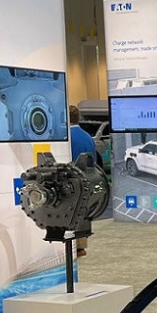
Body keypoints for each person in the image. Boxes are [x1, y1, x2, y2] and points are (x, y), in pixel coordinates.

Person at [69, 105, 97, 258]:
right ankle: (81, 246)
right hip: (87, 179)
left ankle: (74, 247)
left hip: (72, 180)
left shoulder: (68, 137)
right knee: (83, 212)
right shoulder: (88, 137)